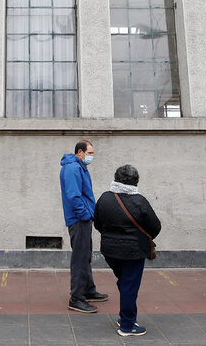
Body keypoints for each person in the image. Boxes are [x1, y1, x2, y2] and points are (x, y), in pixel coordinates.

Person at [94, 165, 161, 337]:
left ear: (115, 178)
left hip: (109, 251)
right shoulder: (139, 201)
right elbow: (155, 227)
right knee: (129, 287)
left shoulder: (105, 198)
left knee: (125, 283)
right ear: (136, 181)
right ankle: (127, 325)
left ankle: (125, 317)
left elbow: (97, 223)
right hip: (133, 252)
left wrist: (110, 236)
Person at [60, 140, 108, 313]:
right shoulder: (73, 168)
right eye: (90, 153)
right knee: (80, 258)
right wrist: (86, 214)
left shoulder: (79, 167)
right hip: (79, 219)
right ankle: (77, 298)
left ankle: (88, 289)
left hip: (83, 219)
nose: (91, 156)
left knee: (85, 255)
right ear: (80, 152)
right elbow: (74, 197)